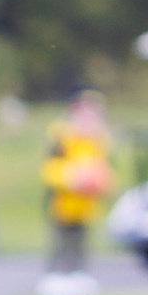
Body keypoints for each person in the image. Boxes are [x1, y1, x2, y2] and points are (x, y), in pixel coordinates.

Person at [41, 89, 114, 274]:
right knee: (62, 240)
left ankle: (79, 271)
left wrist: (102, 181)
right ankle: (57, 273)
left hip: (85, 204)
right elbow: (50, 167)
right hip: (63, 202)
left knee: (81, 242)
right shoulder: (62, 137)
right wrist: (71, 177)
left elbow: (105, 169)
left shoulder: (98, 141)